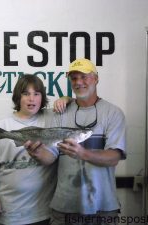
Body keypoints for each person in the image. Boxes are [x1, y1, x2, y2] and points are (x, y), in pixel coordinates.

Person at [25, 58, 126, 225]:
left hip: (103, 206)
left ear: (96, 78)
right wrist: (36, 153)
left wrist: (83, 153)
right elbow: (50, 156)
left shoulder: (113, 113)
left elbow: (114, 157)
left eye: (84, 77)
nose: (79, 82)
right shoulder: (60, 113)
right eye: (74, 78)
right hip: (64, 207)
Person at [0, 74, 62, 225]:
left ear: (42, 97)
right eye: (26, 94)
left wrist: (66, 98)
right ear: (18, 97)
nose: (31, 99)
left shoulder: (51, 120)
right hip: (9, 212)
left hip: (42, 212)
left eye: (36, 94)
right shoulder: (3, 125)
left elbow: (53, 157)